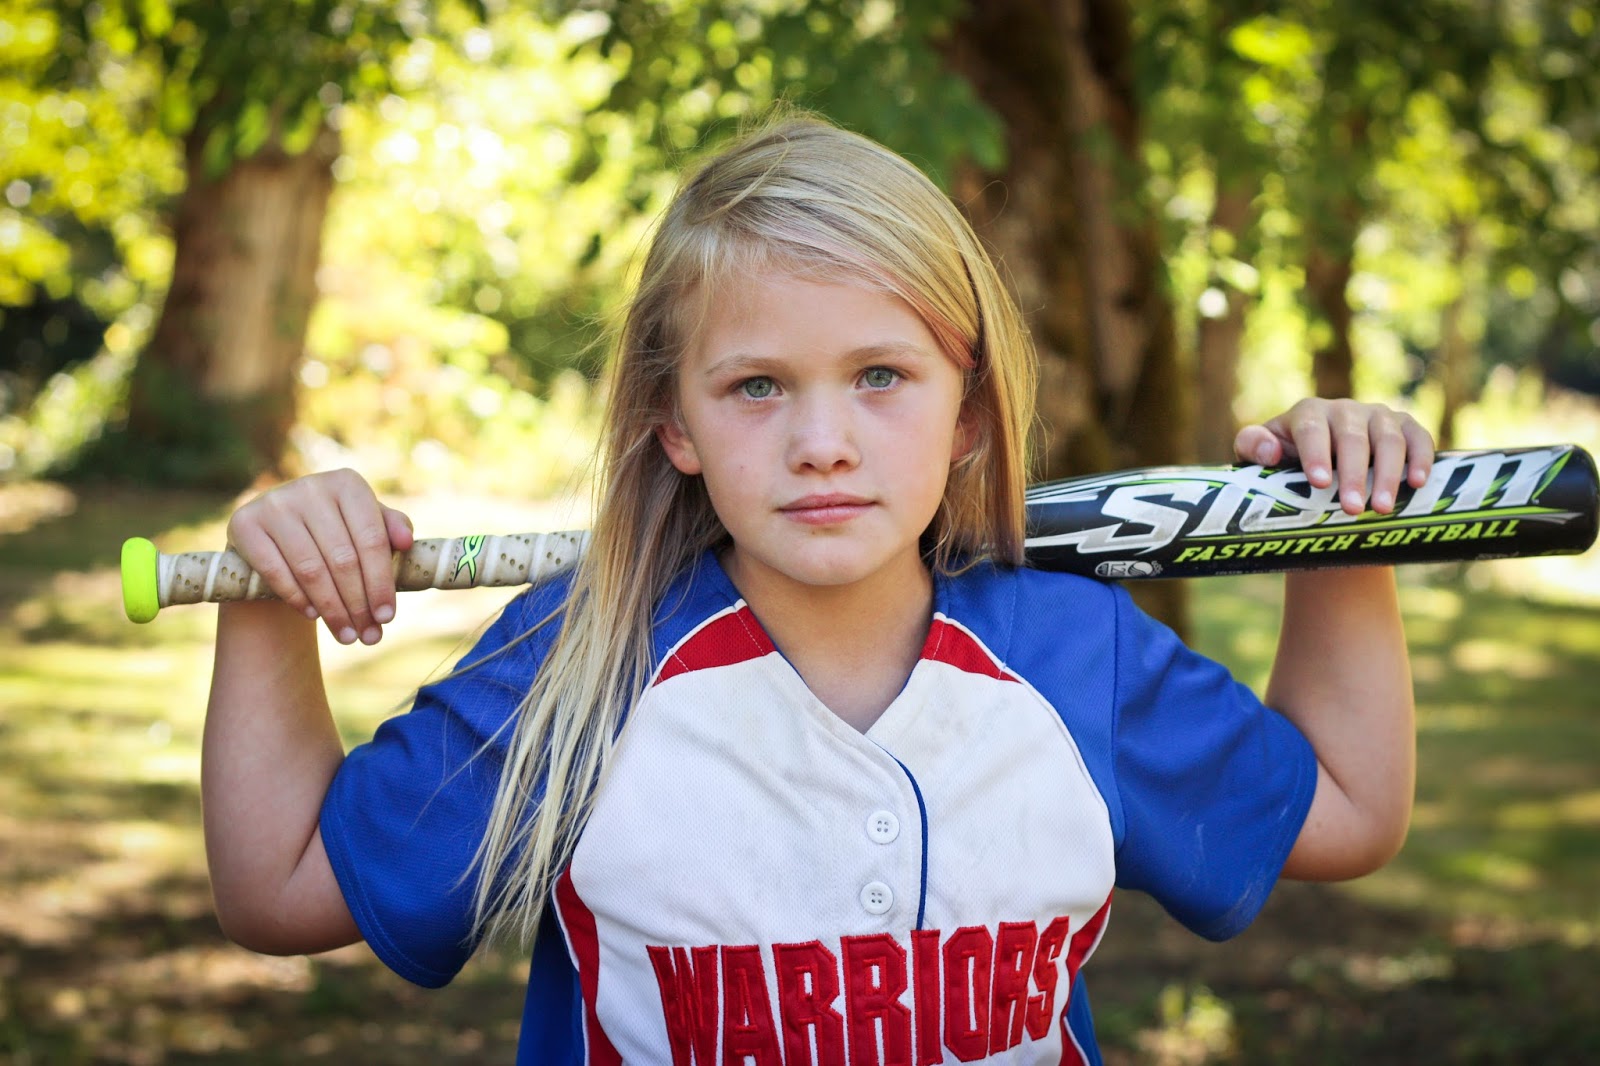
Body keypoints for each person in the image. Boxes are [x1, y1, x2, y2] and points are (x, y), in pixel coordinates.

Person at [203, 115, 1433, 1065]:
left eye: (882, 376)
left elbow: (1344, 811)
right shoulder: (581, 660)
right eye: (755, 387)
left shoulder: (1073, 655)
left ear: (970, 413)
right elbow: (282, 887)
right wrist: (268, 592)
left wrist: (1342, 529)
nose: (822, 442)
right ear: (670, 422)